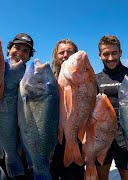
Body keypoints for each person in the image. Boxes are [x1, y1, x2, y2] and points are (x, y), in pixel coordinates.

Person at [0, 32, 35, 180]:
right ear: (9, 49)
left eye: (26, 51)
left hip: (21, 132)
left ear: (29, 56)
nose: (20, 53)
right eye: (17, 47)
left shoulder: (30, 75)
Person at [96, 35, 128, 180]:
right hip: (101, 138)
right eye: (106, 54)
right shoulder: (95, 79)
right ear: (100, 55)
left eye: (114, 53)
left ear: (120, 53)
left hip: (127, 138)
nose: (110, 58)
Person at [49, 38, 85, 180]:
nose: (65, 55)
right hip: (51, 140)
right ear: (55, 56)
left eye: (69, 52)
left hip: (75, 137)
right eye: (61, 52)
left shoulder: (82, 78)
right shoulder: (47, 78)